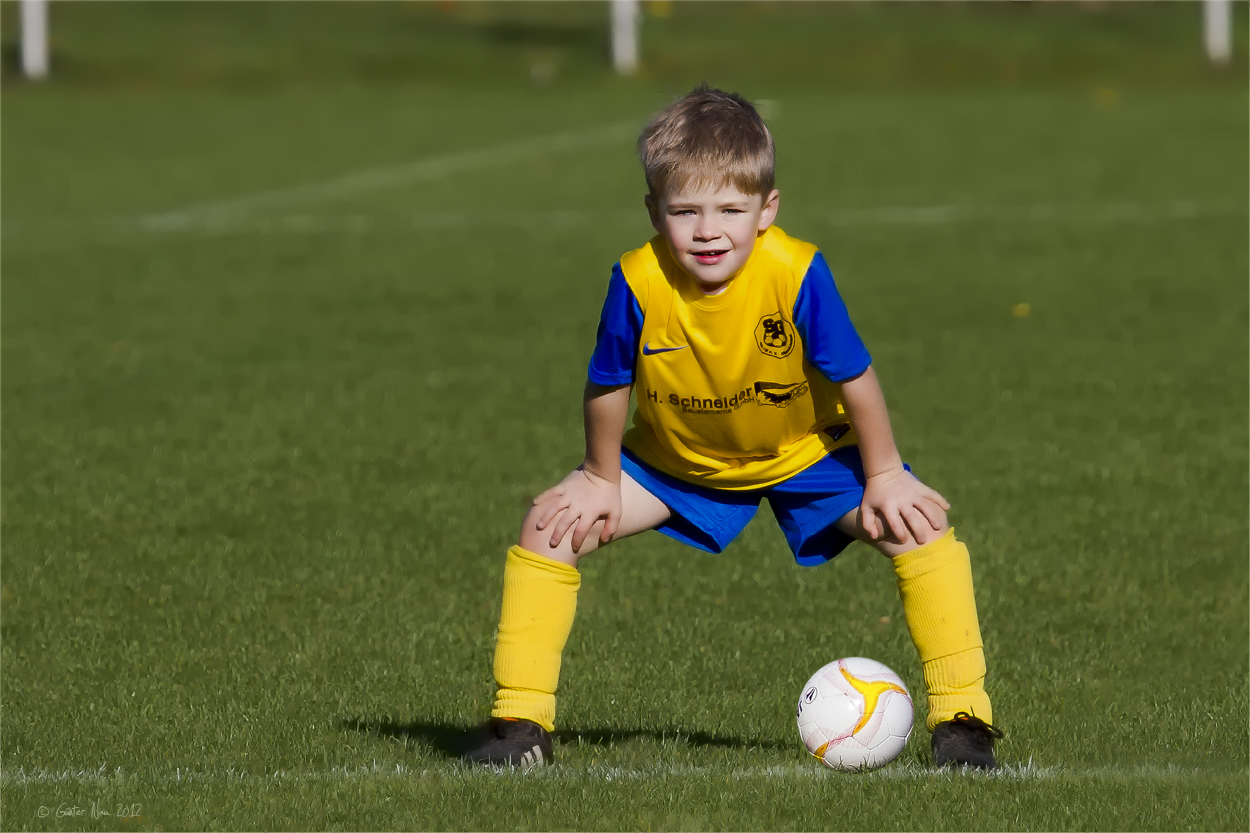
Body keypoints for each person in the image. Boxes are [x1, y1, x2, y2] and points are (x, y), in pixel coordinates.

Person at [464, 85, 1002, 770]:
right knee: (548, 525)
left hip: (806, 453)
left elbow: (855, 376)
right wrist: (600, 478)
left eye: (729, 210)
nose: (707, 230)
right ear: (654, 212)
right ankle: (520, 728)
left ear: (766, 210)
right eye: (685, 211)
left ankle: (963, 723)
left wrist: (886, 472)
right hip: (677, 463)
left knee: (921, 530)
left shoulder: (797, 272)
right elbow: (608, 384)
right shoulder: (636, 280)